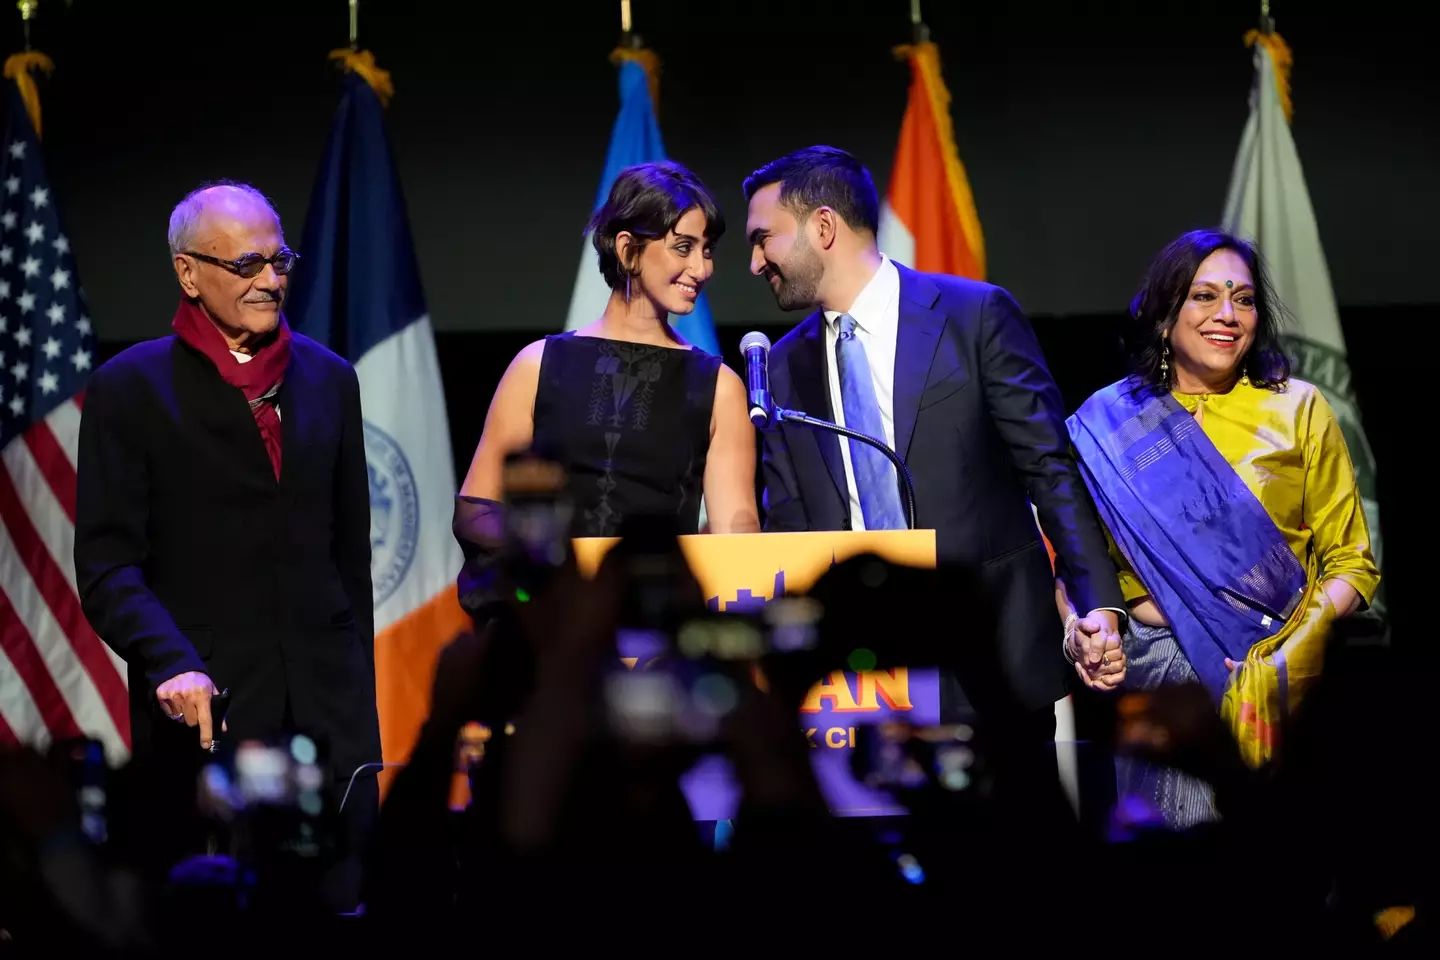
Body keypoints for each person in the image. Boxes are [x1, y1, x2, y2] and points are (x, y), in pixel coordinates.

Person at [743, 145, 1124, 741]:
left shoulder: (975, 316)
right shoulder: (785, 367)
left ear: (823, 226)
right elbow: (789, 526)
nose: (754, 262)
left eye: (763, 238)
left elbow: (1048, 469)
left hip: (993, 655)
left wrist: (1096, 600)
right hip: (859, 681)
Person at [73, 181, 381, 911]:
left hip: (329, 720)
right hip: (209, 716)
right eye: (247, 265)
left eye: (280, 261)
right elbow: (109, 566)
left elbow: (349, 560)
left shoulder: (330, 380)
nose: (270, 280)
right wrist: (172, 660)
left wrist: (356, 687)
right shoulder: (131, 389)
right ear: (188, 272)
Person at [1065, 228, 1380, 827]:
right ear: (1164, 317)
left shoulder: (1298, 408)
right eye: (1204, 296)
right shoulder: (1108, 424)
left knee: (1278, 859)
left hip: (1283, 669)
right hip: (1159, 677)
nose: (1228, 315)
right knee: (1176, 866)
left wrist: (1290, 650)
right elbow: (1073, 564)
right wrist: (1080, 630)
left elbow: (1352, 563)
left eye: (1243, 298)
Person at [456, 160, 758, 610]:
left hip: (654, 623)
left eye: (707, 250)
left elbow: (736, 539)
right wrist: (556, 566)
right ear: (627, 249)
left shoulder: (719, 387)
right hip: (548, 619)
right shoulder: (537, 365)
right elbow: (477, 510)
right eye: (683, 247)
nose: (701, 267)